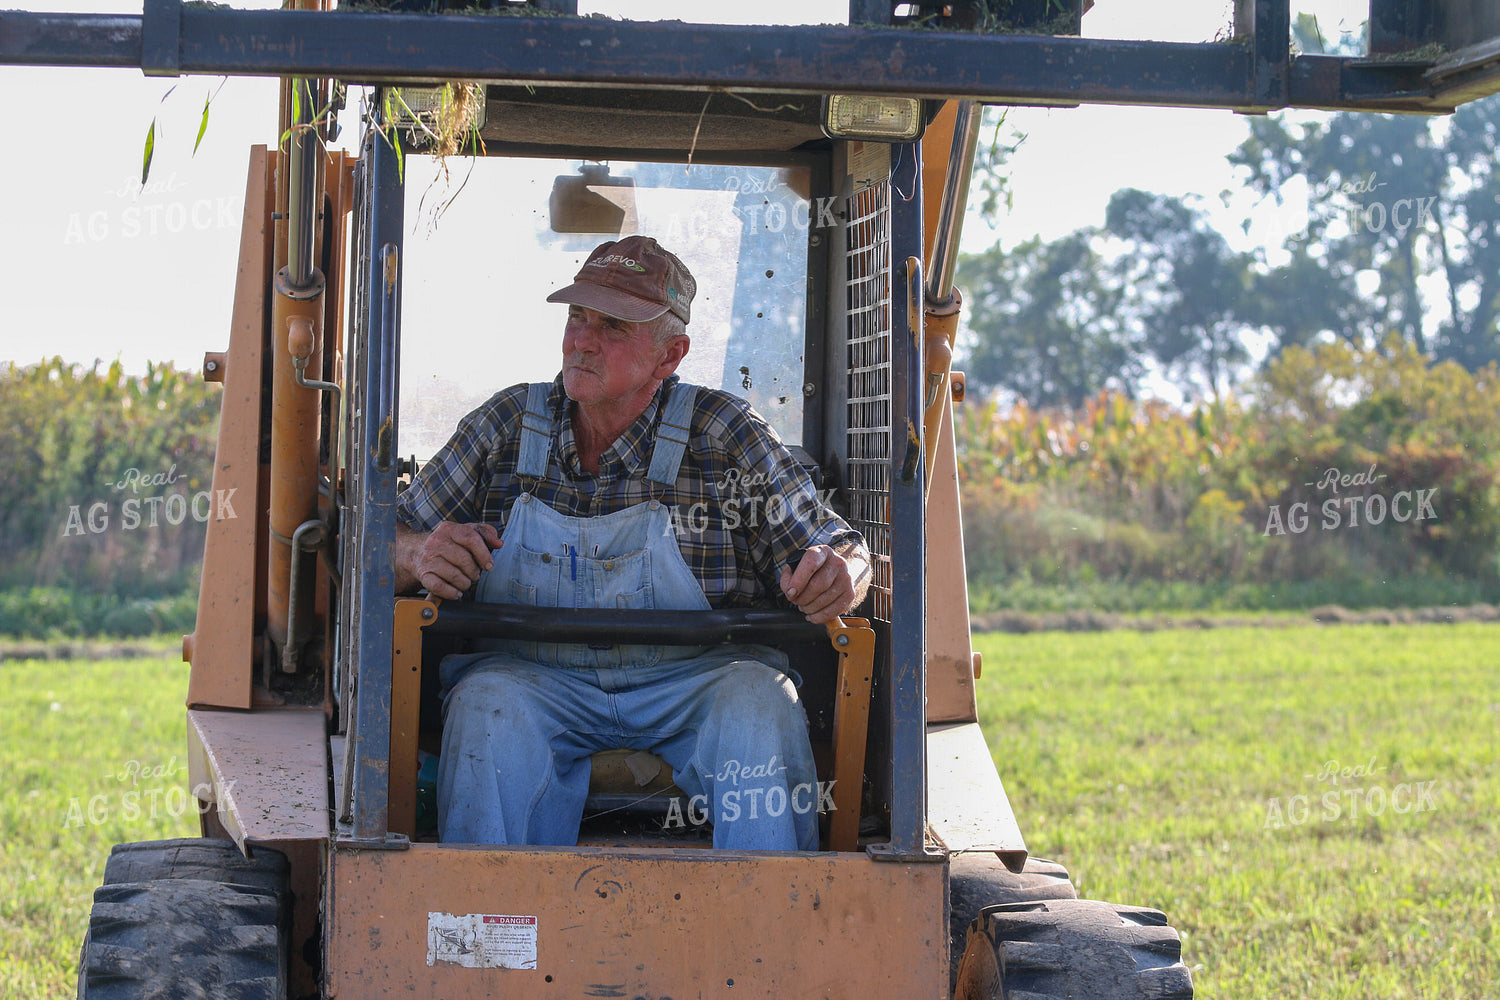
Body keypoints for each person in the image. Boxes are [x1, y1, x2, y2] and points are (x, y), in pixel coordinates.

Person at [393, 235, 871, 851]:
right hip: (534, 680)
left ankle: (772, 933)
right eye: (576, 316)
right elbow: (379, 540)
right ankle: (486, 937)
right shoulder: (506, 427)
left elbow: (838, 546)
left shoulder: (724, 436)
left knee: (759, 702)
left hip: (693, 682)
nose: (582, 340)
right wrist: (415, 552)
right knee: (484, 706)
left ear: (670, 355)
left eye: (613, 325)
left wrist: (841, 574)